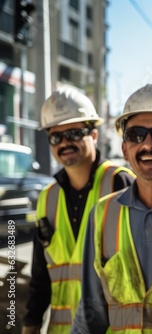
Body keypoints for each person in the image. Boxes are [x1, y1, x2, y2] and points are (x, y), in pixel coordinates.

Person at [71, 83, 152, 333]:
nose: (148, 144)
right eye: (136, 135)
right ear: (125, 149)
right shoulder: (103, 214)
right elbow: (90, 309)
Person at [22, 87, 135, 334]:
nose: (64, 143)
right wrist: (31, 323)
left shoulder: (121, 183)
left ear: (94, 135)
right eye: (55, 137)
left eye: (73, 133)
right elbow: (41, 273)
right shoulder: (47, 198)